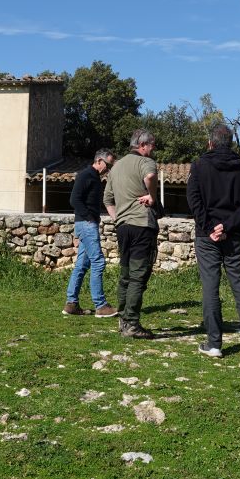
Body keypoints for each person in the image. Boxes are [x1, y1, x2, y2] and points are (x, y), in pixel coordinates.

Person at [186, 123, 240, 358]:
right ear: (231, 144)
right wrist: (227, 225)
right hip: (235, 235)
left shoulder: (198, 167)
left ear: (210, 143)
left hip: (207, 237)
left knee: (210, 288)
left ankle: (214, 344)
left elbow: (193, 200)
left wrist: (210, 228)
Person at [103, 129, 161, 339]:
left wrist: (117, 218)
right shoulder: (145, 162)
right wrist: (152, 196)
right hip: (141, 226)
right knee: (138, 276)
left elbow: (107, 199)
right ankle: (132, 324)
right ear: (143, 145)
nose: (154, 148)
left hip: (123, 228)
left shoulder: (116, 167)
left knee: (125, 274)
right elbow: (151, 176)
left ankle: (123, 320)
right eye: (152, 144)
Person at [63, 149, 118, 318]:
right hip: (86, 225)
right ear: (99, 161)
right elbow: (74, 199)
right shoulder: (86, 175)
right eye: (108, 165)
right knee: (99, 262)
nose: (108, 169)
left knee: (82, 264)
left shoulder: (95, 178)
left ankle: (71, 304)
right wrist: (88, 218)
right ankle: (100, 305)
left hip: (88, 223)